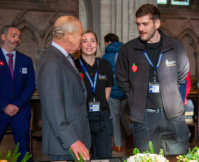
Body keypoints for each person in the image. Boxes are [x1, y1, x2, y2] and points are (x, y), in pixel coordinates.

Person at [115, 4, 190, 154]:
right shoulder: (128, 49)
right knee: (145, 158)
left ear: (157, 23)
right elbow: (121, 80)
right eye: (138, 24)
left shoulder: (175, 46)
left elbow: (182, 75)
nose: (141, 28)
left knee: (178, 158)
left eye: (145, 24)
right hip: (143, 118)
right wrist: (136, 96)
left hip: (173, 116)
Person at [36, 16, 91, 161]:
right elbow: (54, 110)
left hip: (75, 139)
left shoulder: (64, 58)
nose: (82, 38)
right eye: (81, 34)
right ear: (70, 36)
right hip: (65, 145)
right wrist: (72, 140)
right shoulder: (51, 62)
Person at [74, 30, 114, 159]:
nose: (89, 44)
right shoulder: (73, 66)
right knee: (82, 157)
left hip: (102, 116)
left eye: (92, 41)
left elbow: (108, 87)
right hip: (81, 117)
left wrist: (101, 103)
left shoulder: (105, 65)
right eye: (85, 41)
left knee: (104, 157)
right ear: (79, 45)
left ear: (97, 44)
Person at [0, 25, 35, 161]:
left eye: (19, 37)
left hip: (20, 112)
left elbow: (30, 86)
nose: (17, 39)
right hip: (0, 111)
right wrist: (4, 106)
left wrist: (16, 105)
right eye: (13, 36)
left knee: (24, 150)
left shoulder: (26, 60)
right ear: (3, 37)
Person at [102, 33, 133, 152]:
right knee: (123, 113)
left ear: (107, 42)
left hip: (113, 93)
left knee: (114, 118)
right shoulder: (127, 53)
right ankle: (131, 132)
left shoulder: (105, 56)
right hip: (125, 91)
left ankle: (118, 144)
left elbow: (104, 76)